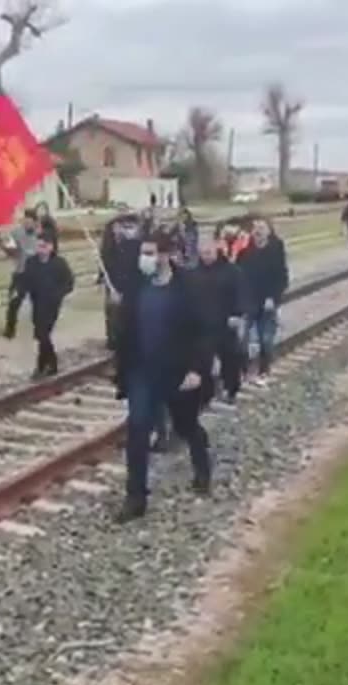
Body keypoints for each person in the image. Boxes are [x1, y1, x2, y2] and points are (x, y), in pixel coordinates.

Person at [113, 235, 216, 523]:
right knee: (138, 430)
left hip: (178, 372)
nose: (144, 259)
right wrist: (117, 310)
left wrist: (197, 369)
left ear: (165, 255)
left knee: (186, 425)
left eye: (149, 252)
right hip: (142, 373)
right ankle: (136, 497)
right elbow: (124, 333)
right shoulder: (136, 287)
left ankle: (202, 468)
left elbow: (205, 331)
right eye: (142, 253)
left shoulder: (188, 287)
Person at [191, 238, 247, 404]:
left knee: (230, 359)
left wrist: (237, 314)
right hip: (203, 326)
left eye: (208, 253)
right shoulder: (194, 273)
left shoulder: (232, 271)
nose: (205, 257)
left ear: (216, 251)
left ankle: (231, 389)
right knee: (203, 362)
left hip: (226, 323)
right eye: (202, 254)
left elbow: (240, 293)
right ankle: (205, 396)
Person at [235, 218, 289, 385]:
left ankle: (264, 371)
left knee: (265, 339)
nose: (258, 231)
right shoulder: (245, 253)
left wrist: (273, 298)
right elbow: (237, 277)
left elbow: (282, 278)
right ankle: (245, 371)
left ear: (268, 231)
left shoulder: (276, 250)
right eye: (255, 228)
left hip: (268, 303)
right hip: (249, 302)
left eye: (261, 228)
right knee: (242, 339)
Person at [23, 234, 75, 378]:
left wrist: (58, 294)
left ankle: (44, 365)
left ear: (51, 247)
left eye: (44, 246)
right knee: (41, 334)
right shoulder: (31, 262)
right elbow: (25, 280)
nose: (41, 249)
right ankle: (49, 364)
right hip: (37, 303)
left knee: (43, 333)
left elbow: (69, 282)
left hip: (52, 304)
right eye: (38, 246)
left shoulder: (59, 263)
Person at [100, 212, 147, 350]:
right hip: (118, 281)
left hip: (128, 281)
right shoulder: (111, 239)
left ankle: (120, 340)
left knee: (124, 312)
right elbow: (106, 257)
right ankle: (115, 339)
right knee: (116, 311)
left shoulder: (134, 241)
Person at [2, 210, 41, 339]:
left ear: (35, 223)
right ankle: (10, 329)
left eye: (30, 222)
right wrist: (7, 246)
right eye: (25, 222)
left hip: (37, 274)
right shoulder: (16, 233)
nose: (27, 224)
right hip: (20, 273)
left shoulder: (41, 234)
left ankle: (40, 327)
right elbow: (8, 249)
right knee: (14, 301)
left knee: (40, 302)